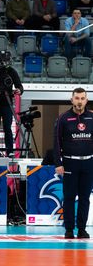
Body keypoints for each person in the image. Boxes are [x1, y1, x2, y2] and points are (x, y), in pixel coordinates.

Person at [53, 88, 93, 239]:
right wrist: (58, 163)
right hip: (70, 163)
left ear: (86, 100)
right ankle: (69, 229)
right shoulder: (63, 118)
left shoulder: (92, 118)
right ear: (72, 100)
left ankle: (82, 229)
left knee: (84, 198)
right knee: (69, 197)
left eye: (82, 98)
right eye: (77, 98)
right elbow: (56, 142)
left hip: (88, 163)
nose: (79, 101)